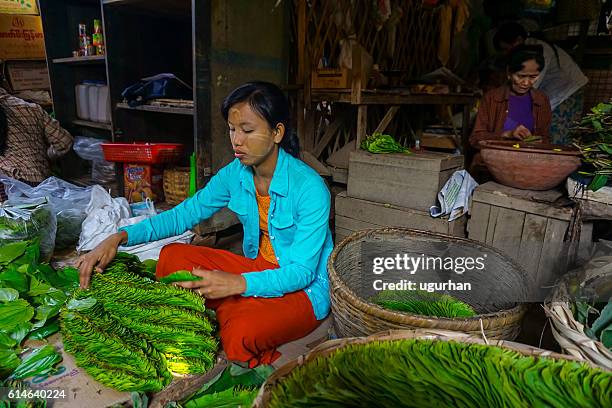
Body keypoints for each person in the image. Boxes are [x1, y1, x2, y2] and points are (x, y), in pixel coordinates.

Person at [76, 81, 333, 368]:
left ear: (277, 133)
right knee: (172, 257)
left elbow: (301, 272)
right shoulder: (236, 173)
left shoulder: (310, 188)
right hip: (259, 265)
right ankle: (236, 303)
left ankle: (237, 306)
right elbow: (184, 214)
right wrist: (119, 236)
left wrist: (238, 283)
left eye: (247, 130)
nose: (236, 140)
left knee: (240, 336)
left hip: (304, 288)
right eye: (232, 129)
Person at [493, 21, 588, 144]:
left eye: (507, 48)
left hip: (569, 93)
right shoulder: (526, 50)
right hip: (556, 92)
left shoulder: (537, 50)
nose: (507, 53)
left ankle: (555, 161)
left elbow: (528, 85)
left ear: (518, 40)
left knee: (556, 133)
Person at [469, 45, 552, 181]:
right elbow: (475, 139)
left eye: (533, 77)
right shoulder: (492, 98)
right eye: (520, 76)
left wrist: (535, 141)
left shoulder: (541, 100)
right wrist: (507, 134)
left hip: (527, 163)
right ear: (509, 73)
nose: (526, 82)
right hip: (494, 164)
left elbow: (546, 139)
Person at [0, 87, 73, 185]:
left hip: (12, 184)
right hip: (42, 180)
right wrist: (47, 156)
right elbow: (64, 141)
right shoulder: (31, 107)